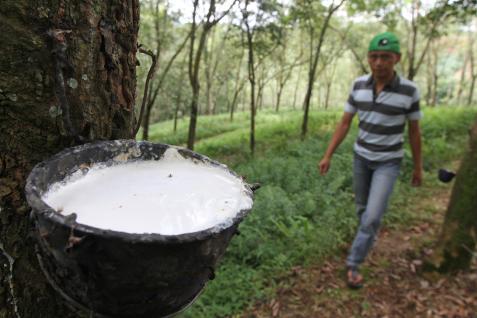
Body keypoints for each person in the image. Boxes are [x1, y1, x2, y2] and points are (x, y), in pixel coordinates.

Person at [318, 32, 423, 289]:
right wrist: (328, 155)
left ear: (396, 58)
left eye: (385, 57)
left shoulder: (409, 91)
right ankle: (368, 236)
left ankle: (354, 262)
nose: (379, 63)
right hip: (361, 158)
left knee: (373, 215)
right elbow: (345, 123)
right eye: (374, 57)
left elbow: (414, 131)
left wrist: (418, 167)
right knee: (363, 210)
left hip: (388, 162)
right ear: (368, 58)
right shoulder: (358, 86)